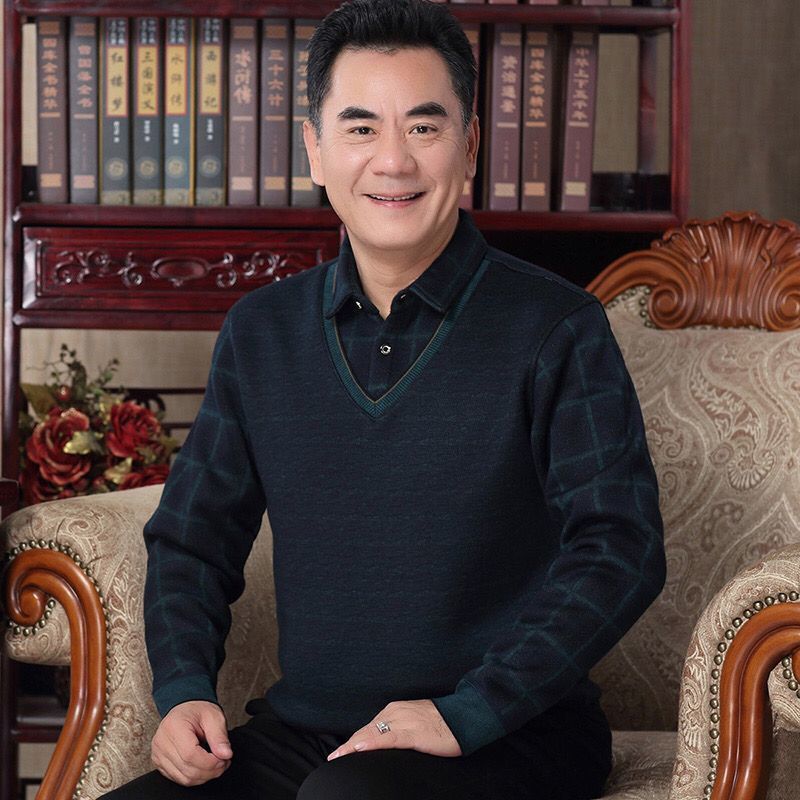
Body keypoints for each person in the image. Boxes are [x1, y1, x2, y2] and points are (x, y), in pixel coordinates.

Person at [102, 1, 665, 798]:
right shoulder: (261, 332)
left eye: (424, 128)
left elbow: (621, 547)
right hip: (311, 734)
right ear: (315, 151)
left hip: (511, 733)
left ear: (469, 147)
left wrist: (469, 711)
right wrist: (185, 688)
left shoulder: (556, 327)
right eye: (361, 128)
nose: (392, 161)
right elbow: (194, 539)